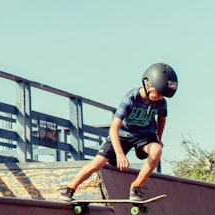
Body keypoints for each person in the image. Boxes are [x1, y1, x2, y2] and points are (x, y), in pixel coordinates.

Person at [59, 63, 178, 202]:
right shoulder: (130, 99)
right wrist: (120, 154)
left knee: (156, 150)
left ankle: (136, 187)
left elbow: (162, 118)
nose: (160, 98)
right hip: (122, 134)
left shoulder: (161, 102)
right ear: (148, 85)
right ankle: (70, 188)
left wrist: (159, 137)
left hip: (145, 136)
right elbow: (114, 128)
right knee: (98, 163)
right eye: (159, 94)